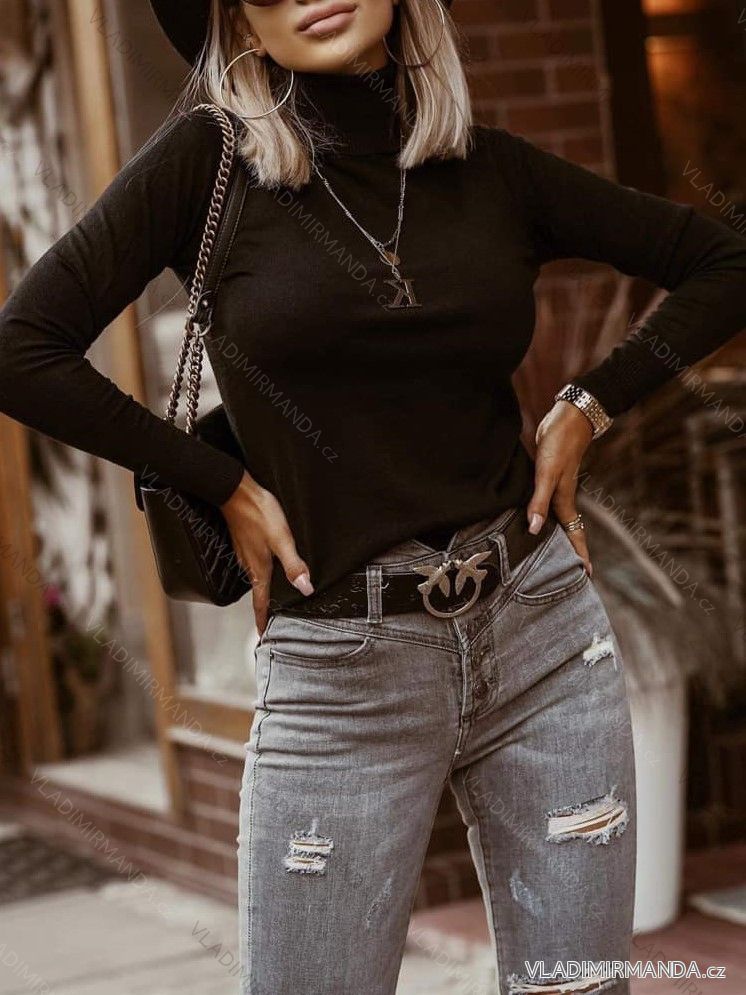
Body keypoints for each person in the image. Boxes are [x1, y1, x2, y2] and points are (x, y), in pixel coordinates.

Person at [1, 1, 745, 992]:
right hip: (339, 673)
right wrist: (220, 481)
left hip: (542, 636)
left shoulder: (490, 168)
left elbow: (723, 261)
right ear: (240, 25)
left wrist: (587, 405)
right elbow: (23, 349)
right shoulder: (207, 165)